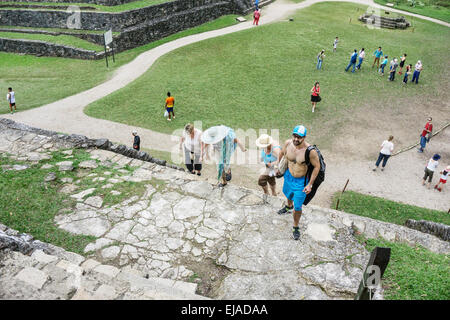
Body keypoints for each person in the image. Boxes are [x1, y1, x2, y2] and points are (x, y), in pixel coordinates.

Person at [277, 125, 321, 241]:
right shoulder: (288, 143)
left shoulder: (310, 152)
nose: (296, 139)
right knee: (288, 194)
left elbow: (317, 167)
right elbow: (282, 153)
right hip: (288, 176)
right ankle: (288, 206)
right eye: (295, 136)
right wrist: (279, 166)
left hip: (301, 182)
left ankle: (295, 226)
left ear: (304, 137)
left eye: (299, 137)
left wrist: (310, 184)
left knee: (298, 207)